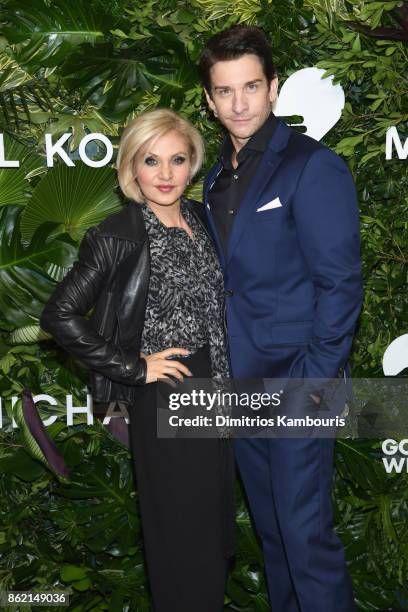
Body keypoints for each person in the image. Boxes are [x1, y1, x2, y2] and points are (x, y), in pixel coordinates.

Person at [40, 108, 235, 612]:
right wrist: (135, 367)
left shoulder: (198, 218)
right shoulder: (118, 233)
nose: (165, 174)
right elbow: (59, 314)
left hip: (216, 391)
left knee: (212, 538)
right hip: (169, 397)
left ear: (192, 165)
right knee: (182, 542)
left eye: (176, 159)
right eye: (151, 160)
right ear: (132, 167)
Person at [198, 25, 363, 612]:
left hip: (299, 382)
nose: (239, 103)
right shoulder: (215, 177)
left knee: (305, 539)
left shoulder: (312, 166)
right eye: (225, 91)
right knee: (273, 539)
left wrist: (316, 381)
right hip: (240, 388)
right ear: (210, 100)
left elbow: (340, 284)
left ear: (273, 88)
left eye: (250, 87)